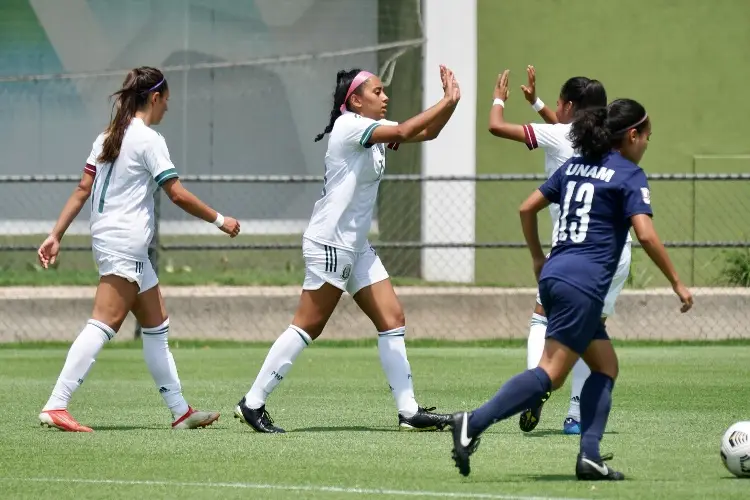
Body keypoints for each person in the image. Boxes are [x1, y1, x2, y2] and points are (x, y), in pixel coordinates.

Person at [449, 98, 693, 480]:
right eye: (646, 137)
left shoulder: (574, 166)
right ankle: (472, 422)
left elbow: (526, 208)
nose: (646, 144)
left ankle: (590, 456)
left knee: (605, 366)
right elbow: (644, 234)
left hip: (556, 276)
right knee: (551, 374)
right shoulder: (629, 174)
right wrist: (678, 282)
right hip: (584, 284)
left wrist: (535, 258)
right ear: (631, 136)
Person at [234, 66, 460, 433]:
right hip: (331, 242)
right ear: (355, 100)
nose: (385, 97)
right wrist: (445, 100)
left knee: (392, 319)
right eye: (377, 91)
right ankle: (253, 402)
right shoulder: (351, 126)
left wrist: (452, 103)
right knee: (308, 325)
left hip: (355, 245)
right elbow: (405, 130)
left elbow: (426, 132)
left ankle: (409, 411)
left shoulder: (374, 130)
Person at [38, 66, 241, 432]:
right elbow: (176, 193)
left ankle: (180, 411)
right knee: (104, 324)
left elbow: (82, 190)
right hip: (124, 243)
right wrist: (220, 219)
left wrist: (56, 235)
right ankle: (56, 404)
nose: (167, 108)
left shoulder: (107, 137)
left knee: (156, 324)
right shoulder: (149, 139)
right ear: (155, 97)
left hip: (111, 241)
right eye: (167, 101)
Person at [487, 67, 630, 435]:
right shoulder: (606, 139)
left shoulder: (557, 134)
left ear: (568, 105)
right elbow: (565, 129)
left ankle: (535, 387)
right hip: (614, 250)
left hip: (573, 249)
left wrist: (498, 97)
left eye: (557, 102)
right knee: (591, 328)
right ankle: (576, 416)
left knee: (541, 318)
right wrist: (536, 103)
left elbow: (496, 126)